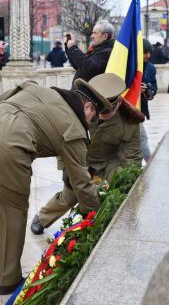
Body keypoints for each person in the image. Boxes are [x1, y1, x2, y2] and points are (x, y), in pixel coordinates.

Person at [0, 73, 126, 295]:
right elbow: (82, 185)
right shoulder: (74, 129)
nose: (91, 124)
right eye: (95, 118)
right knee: (13, 213)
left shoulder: (34, 87)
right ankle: (8, 280)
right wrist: (99, 217)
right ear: (88, 106)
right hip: (10, 148)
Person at [31, 80, 144, 235]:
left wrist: (126, 184)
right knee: (70, 196)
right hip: (82, 158)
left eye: (106, 113)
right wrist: (68, 173)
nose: (101, 116)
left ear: (117, 104)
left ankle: (109, 223)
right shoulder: (82, 110)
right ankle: (42, 218)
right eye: (100, 112)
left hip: (109, 162)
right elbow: (64, 142)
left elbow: (134, 157)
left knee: (113, 190)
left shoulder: (130, 121)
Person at [65, 20, 115, 88]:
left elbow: (87, 67)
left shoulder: (107, 52)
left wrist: (73, 49)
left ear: (105, 36)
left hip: (88, 95)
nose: (92, 36)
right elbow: (78, 65)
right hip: (82, 93)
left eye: (95, 33)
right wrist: (69, 48)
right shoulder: (96, 49)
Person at [141, 39, 158, 162]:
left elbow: (154, 88)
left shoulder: (151, 68)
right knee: (142, 138)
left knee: (141, 138)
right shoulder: (128, 65)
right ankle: (149, 164)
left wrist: (147, 89)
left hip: (141, 107)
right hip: (127, 107)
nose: (148, 55)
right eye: (145, 52)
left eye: (149, 52)